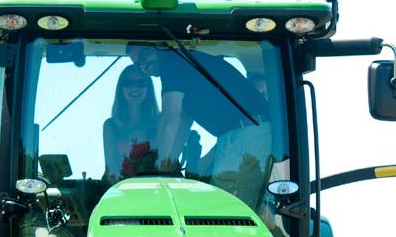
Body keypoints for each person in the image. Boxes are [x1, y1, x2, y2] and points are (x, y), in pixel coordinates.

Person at [125, 42, 270, 178]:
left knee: (229, 197)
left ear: (159, 45)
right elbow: (182, 125)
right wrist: (167, 168)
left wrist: (158, 171)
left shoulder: (173, 63)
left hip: (247, 133)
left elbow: (170, 120)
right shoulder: (183, 66)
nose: (143, 65)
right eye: (138, 65)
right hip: (242, 134)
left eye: (144, 56)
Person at [102, 65, 160, 181]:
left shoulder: (161, 122)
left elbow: (165, 164)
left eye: (141, 83)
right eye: (129, 83)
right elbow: (111, 170)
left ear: (149, 88)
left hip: (156, 190)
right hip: (122, 192)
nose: (135, 88)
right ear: (121, 88)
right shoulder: (111, 126)